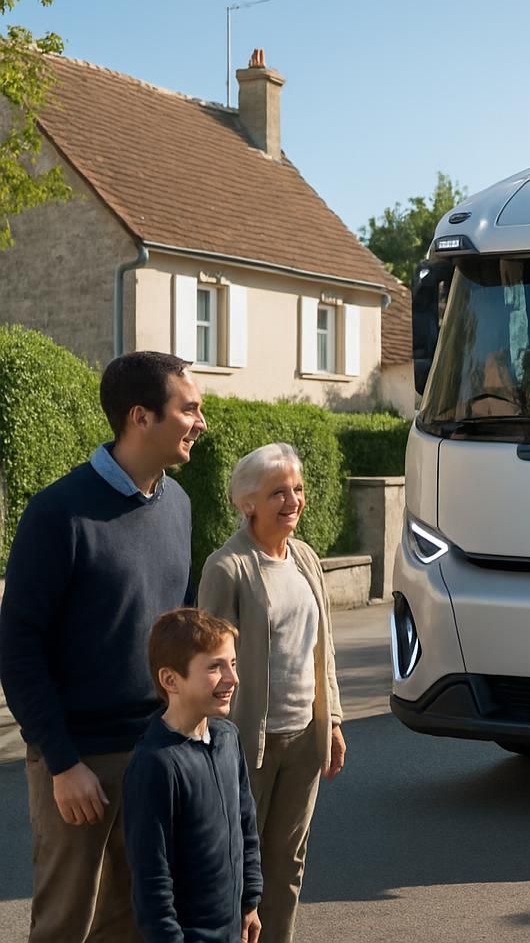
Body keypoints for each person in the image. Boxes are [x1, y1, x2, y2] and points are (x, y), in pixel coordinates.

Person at [0, 351, 204, 942]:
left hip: (157, 751)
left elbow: (178, 634)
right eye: (188, 408)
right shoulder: (57, 513)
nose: (200, 422)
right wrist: (62, 764)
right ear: (141, 417)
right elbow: (18, 649)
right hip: (78, 760)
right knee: (67, 924)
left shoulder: (180, 506)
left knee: (140, 920)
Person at [199, 442, 344, 943]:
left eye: (298, 489)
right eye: (278, 492)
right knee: (237, 869)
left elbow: (321, 648)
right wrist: (207, 743)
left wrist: (335, 719)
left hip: (305, 736)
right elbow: (209, 668)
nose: (293, 500)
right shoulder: (227, 568)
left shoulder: (305, 558)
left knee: (288, 864)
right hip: (246, 744)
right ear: (247, 503)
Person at [123, 608, 261, 942]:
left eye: (233, 664)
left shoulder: (228, 738)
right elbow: (152, 880)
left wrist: (250, 902)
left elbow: (246, 824)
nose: (233, 678)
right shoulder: (156, 764)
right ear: (171, 680)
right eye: (215, 667)